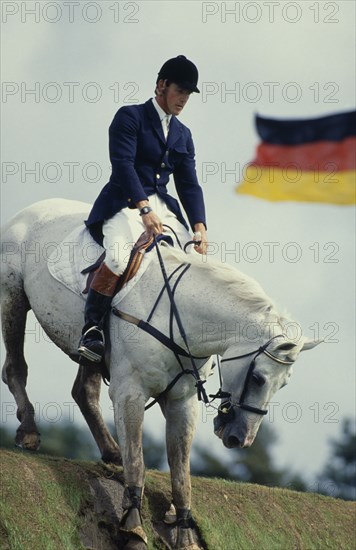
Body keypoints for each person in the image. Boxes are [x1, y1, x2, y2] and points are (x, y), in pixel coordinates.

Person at [78, 55, 208, 363]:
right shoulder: (130, 117)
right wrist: (144, 207)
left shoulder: (183, 134)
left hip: (163, 207)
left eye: (189, 94)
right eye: (180, 91)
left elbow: (188, 185)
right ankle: (92, 330)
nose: (184, 99)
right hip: (124, 201)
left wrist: (200, 227)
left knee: (194, 261)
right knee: (119, 256)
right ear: (162, 85)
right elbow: (122, 165)